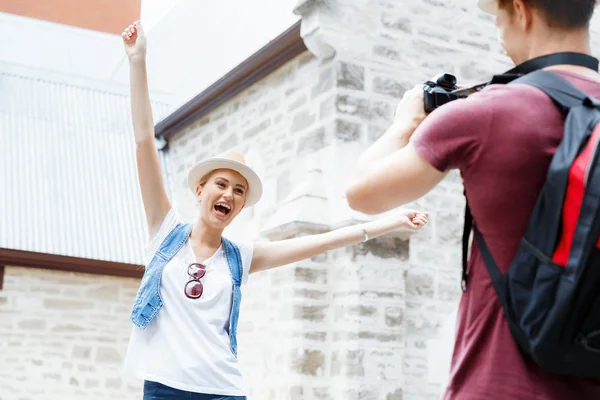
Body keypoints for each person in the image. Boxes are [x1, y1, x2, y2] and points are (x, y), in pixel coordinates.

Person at [119, 21, 429, 400]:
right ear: (200, 190)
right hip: (164, 389)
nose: (229, 195)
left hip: (222, 390)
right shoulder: (164, 231)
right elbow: (142, 141)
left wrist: (385, 223)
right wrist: (138, 61)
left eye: (239, 190)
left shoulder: (240, 258)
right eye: (221, 184)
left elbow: (323, 242)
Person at [345, 0, 600, 399]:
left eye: (497, 19)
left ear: (521, 10)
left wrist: (404, 124)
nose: (500, 36)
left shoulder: (490, 110)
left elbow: (362, 192)